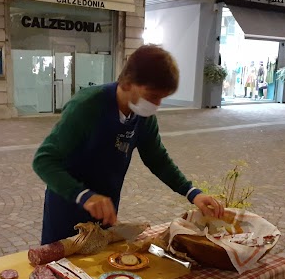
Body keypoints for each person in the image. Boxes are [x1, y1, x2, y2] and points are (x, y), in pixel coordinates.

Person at [32, 45, 224, 245]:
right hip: (67, 208)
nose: (156, 104)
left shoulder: (142, 116)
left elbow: (157, 159)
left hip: (105, 212)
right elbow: (44, 161)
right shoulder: (87, 106)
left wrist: (192, 193)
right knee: (59, 270)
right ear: (128, 82)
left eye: (161, 98)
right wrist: (84, 196)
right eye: (152, 95)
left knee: (99, 270)